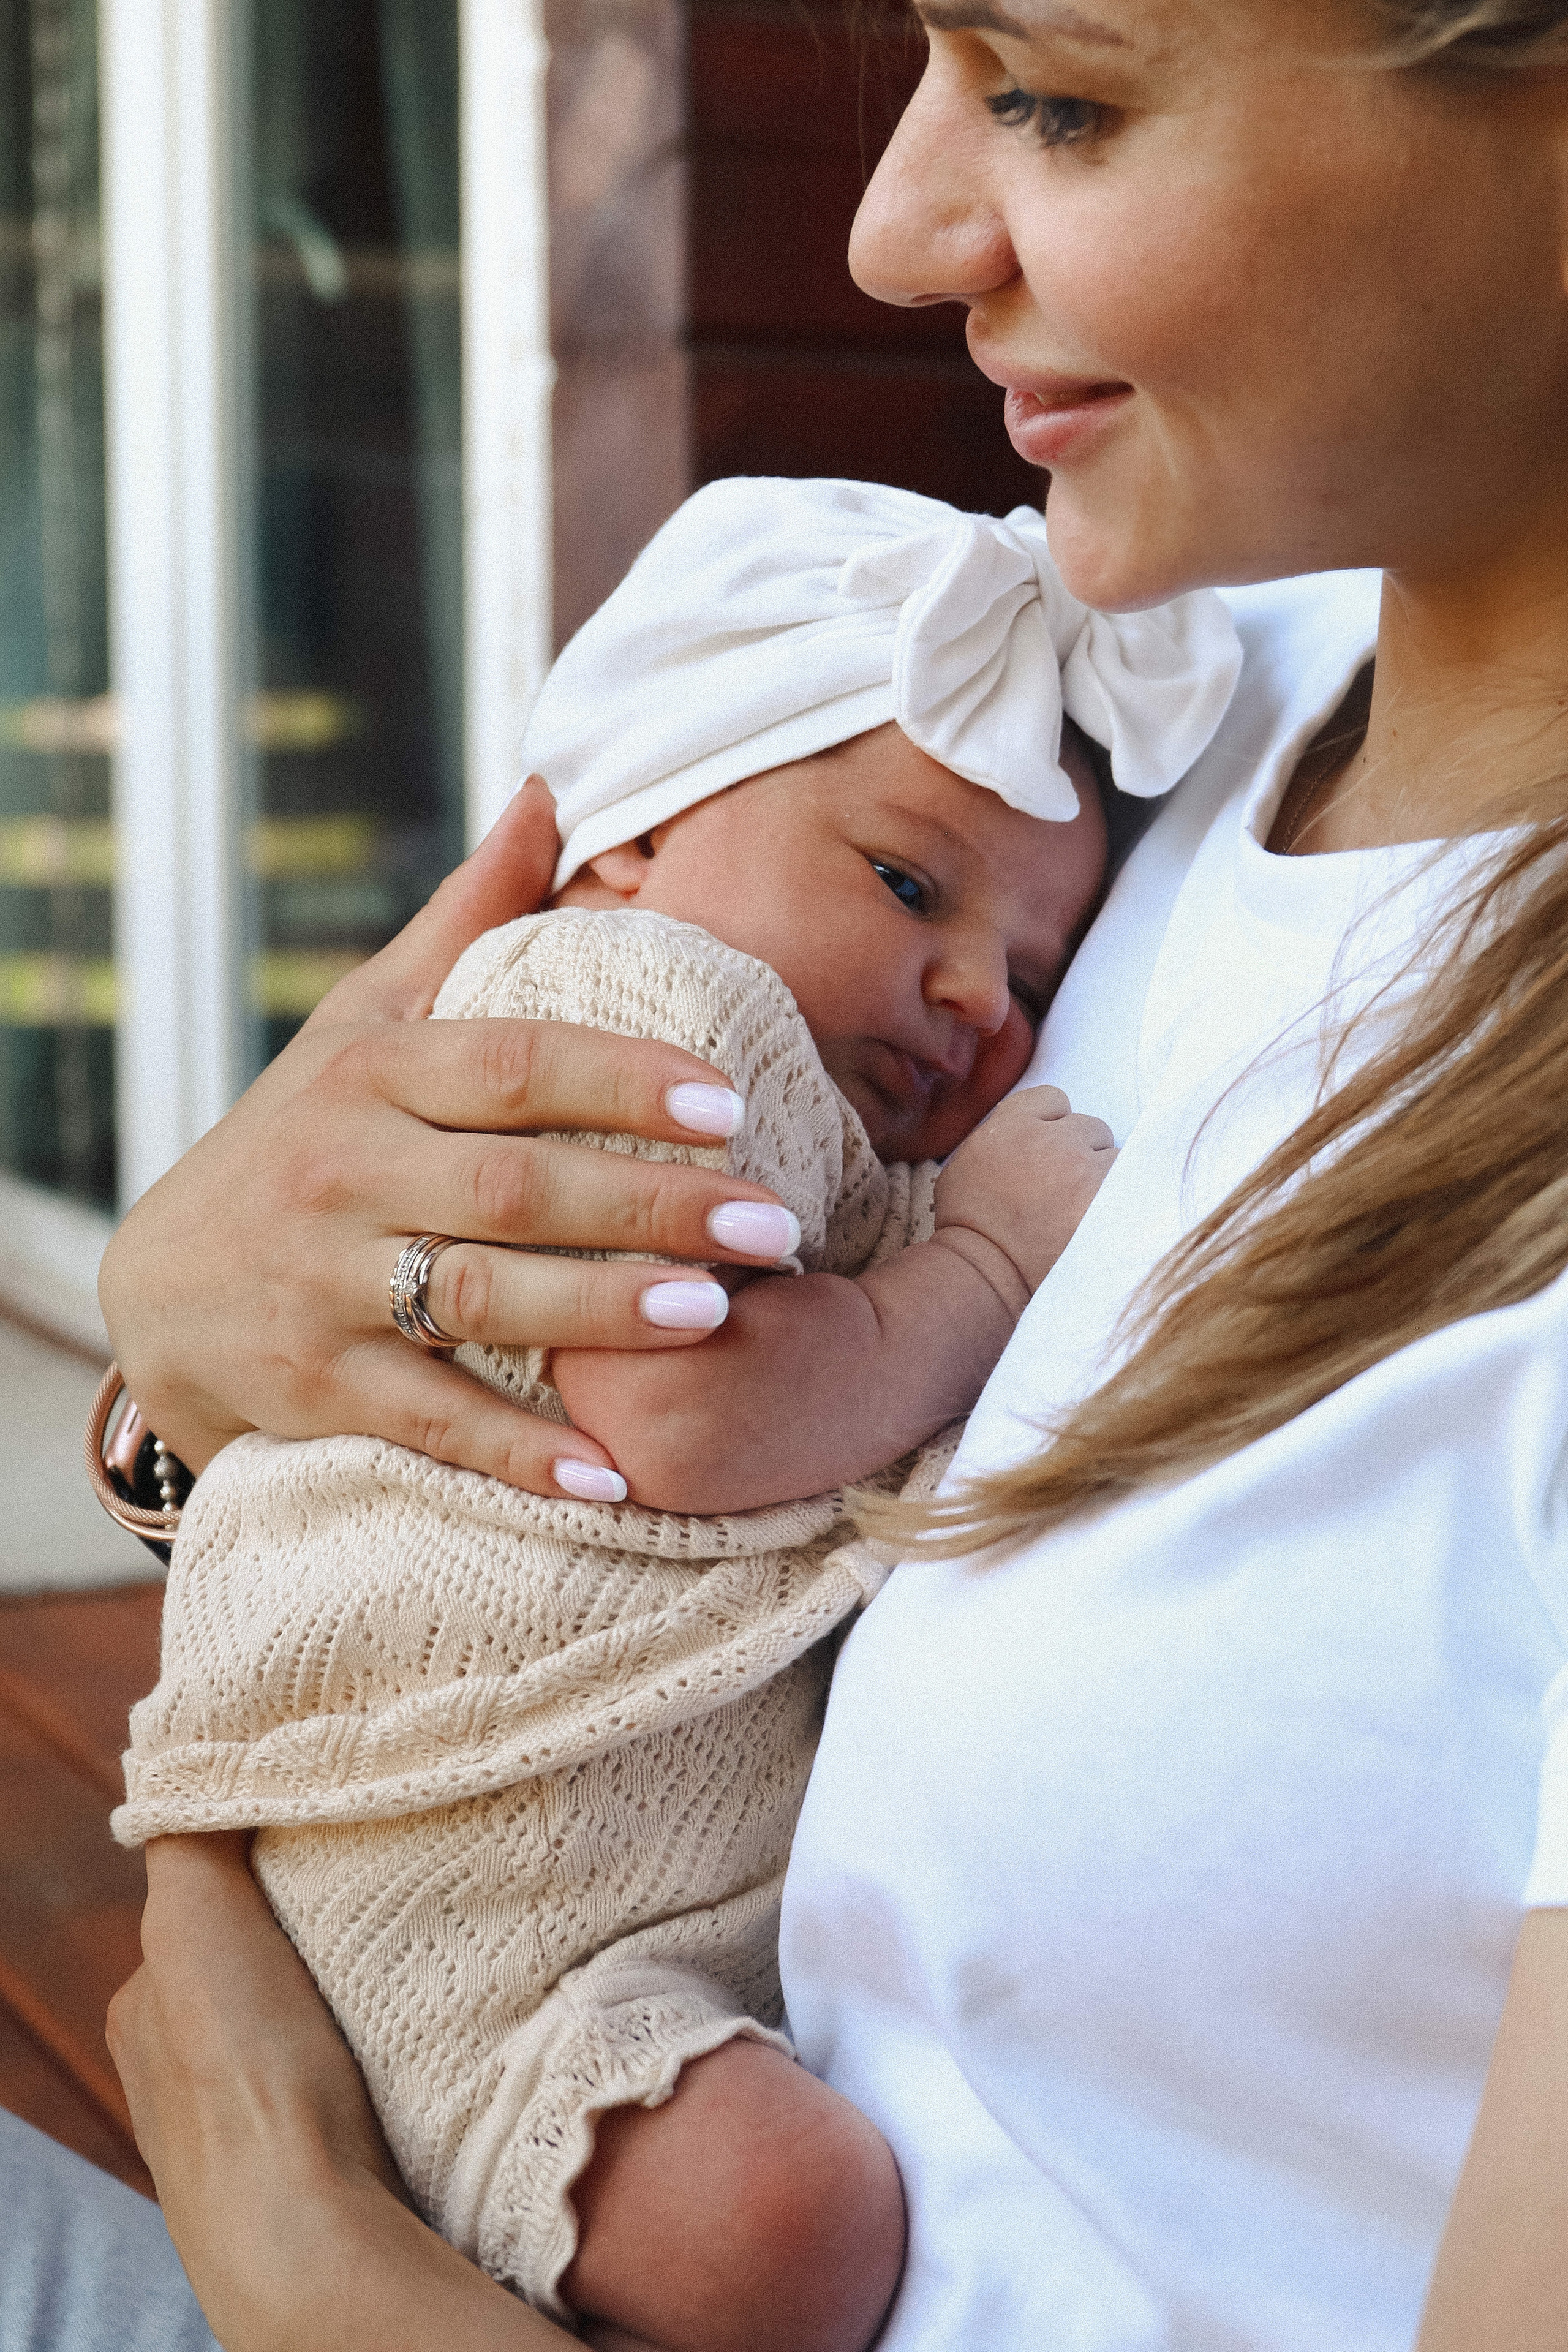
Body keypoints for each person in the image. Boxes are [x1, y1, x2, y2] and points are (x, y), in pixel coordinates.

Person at [63, 0, 1568, 2346]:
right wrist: (187, 1367)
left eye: (1054, 93)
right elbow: (301, 1311)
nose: (889, 231)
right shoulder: (1141, 701)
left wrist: (312, 2268)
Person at [108, 475, 1241, 2352]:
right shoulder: (654, 1000)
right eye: (905, 884)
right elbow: (686, 1414)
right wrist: (980, 1276)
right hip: (474, 1885)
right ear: (624, 841)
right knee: (785, 2226)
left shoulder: (806, 1085)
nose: (981, 996)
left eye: (1040, 972)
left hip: (566, 1884)